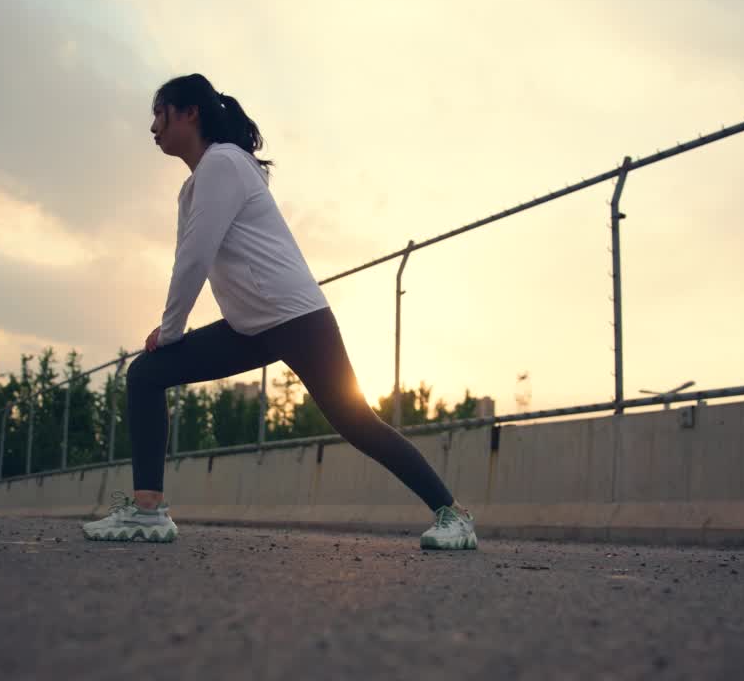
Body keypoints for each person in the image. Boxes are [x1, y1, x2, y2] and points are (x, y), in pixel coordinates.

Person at [82, 74, 476, 550]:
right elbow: (194, 259)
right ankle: (148, 512)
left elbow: (195, 258)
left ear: (190, 113)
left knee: (357, 423)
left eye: (159, 113)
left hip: (298, 319)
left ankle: (453, 515)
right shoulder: (198, 183)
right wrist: (169, 331)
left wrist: (171, 330)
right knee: (146, 374)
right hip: (251, 326)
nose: (152, 127)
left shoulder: (224, 164)